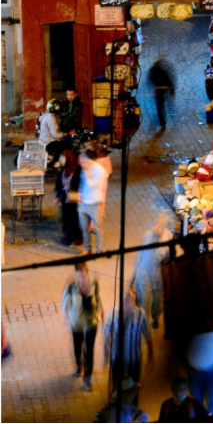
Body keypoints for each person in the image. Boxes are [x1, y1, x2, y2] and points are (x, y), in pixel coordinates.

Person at [62, 261, 102, 391]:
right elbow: (65, 304)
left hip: (91, 321)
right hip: (77, 322)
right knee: (77, 347)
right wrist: (67, 317)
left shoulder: (94, 285)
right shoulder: (71, 287)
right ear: (76, 274)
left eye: (83, 274)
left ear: (87, 273)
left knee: (89, 350)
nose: (81, 278)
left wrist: (103, 313)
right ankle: (79, 366)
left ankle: (87, 379)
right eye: (79, 275)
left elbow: (99, 299)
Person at [103, 287, 153, 386]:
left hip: (134, 357)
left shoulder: (140, 315)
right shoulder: (113, 314)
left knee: (134, 384)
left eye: (131, 300)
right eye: (126, 300)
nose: (128, 303)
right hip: (116, 356)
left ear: (135, 302)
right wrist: (105, 355)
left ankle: (132, 401)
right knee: (117, 384)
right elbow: (106, 335)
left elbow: (147, 335)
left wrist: (151, 354)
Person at [131, 215, 170, 329]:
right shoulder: (148, 235)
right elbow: (140, 254)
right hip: (145, 273)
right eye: (157, 223)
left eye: (161, 224)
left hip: (159, 275)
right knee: (144, 299)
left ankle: (155, 317)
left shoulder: (168, 238)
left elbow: (169, 257)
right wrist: (135, 275)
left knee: (157, 300)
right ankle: (144, 320)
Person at [185, 330, 213, 416]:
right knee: (197, 403)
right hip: (197, 372)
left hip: (210, 372)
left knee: (212, 402)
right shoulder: (189, 325)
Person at [78, 145, 110, 255]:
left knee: (97, 229)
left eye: (85, 160)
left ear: (90, 159)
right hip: (84, 203)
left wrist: (88, 175)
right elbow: (82, 185)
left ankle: (99, 251)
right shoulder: (87, 168)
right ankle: (87, 249)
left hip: (95, 204)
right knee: (84, 228)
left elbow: (92, 185)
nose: (83, 162)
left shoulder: (100, 171)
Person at [54, 149, 84, 247]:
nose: (61, 159)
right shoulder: (63, 169)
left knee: (73, 218)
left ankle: (74, 238)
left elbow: (80, 183)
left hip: (74, 199)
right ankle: (68, 234)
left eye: (63, 157)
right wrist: (57, 195)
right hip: (65, 198)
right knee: (66, 217)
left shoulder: (78, 170)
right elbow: (58, 182)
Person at [147, 59, 175, 130]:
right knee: (163, 103)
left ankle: (162, 121)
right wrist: (172, 91)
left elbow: (150, 79)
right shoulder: (163, 70)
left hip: (158, 89)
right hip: (165, 88)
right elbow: (168, 79)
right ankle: (164, 116)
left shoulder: (153, 70)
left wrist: (153, 86)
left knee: (159, 106)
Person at [38, 98, 66, 163]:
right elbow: (55, 135)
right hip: (47, 142)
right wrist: (66, 133)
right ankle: (54, 163)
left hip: (44, 140)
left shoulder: (46, 115)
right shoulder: (51, 118)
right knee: (62, 146)